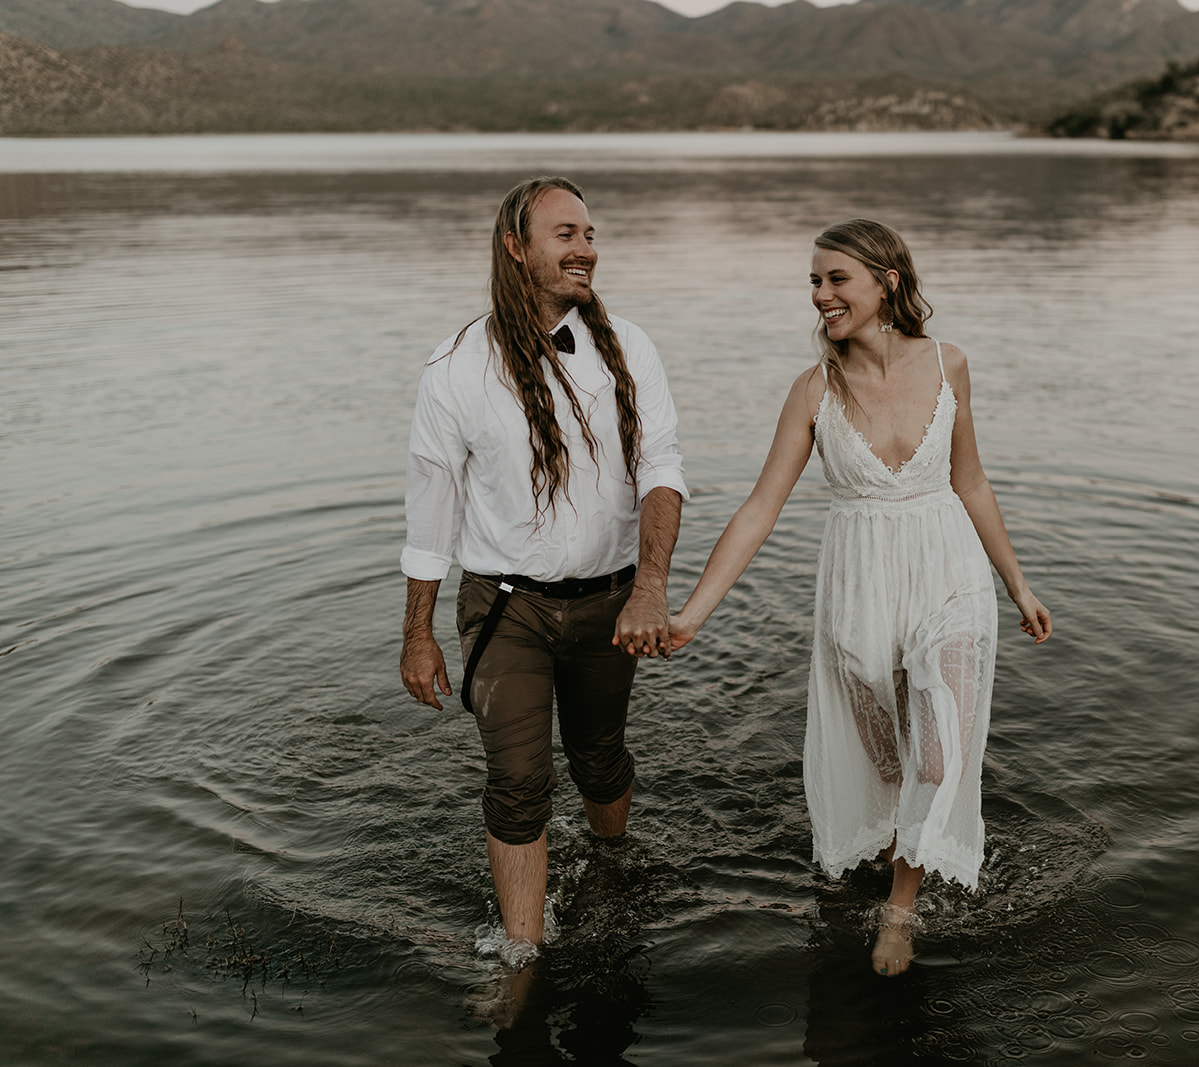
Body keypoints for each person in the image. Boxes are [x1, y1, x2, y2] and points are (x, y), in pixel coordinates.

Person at [665, 218, 1052, 976]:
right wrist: (690, 614)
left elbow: (970, 479)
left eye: (836, 279)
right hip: (859, 585)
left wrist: (1018, 582)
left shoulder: (950, 364)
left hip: (949, 573)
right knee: (883, 758)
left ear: (889, 281)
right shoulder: (814, 389)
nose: (820, 295)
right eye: (814, 281)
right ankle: (886, 849)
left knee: (938, 749)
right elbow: (758, 508)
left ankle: (899, 910)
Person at [399, 176, 688, 959]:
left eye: (590, 234)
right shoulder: (456, 366)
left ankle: (610, 864)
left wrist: (652, 587)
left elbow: (662, 466)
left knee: (601, 759)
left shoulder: (630, 346)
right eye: (566, 234)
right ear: (514, 246)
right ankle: (522, 958)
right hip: (506, 610)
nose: (586, 248)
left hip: (610, 602)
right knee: (519, 781)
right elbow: (431, 508)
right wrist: (417, 634)